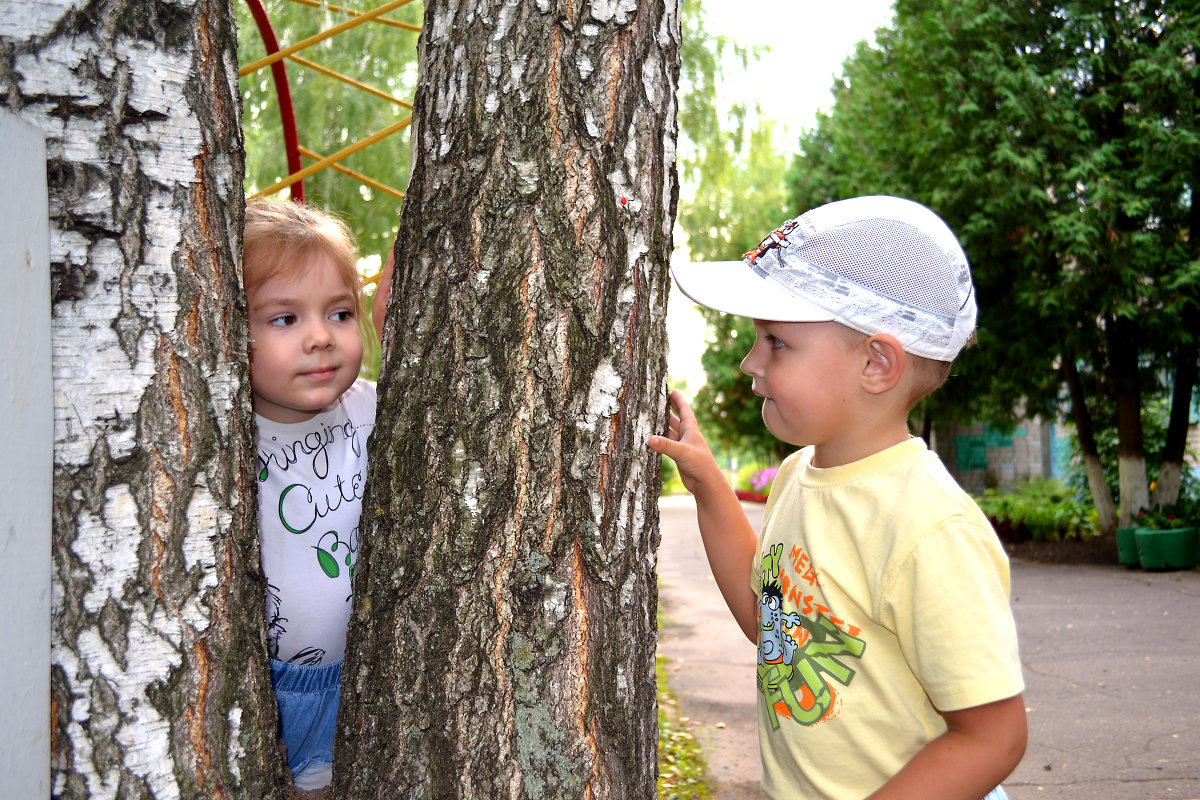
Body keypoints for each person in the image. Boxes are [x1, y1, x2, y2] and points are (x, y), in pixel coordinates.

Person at [649, 196, 1026, 800]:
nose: (750, 363)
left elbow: (994, 737)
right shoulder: (801, 474)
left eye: (776, 343)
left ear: (877, 364)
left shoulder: (930, 527)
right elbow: (771, 624)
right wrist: (708, 485)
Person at [243, 200, 376, 791]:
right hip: (266, 695)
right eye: (283, 319)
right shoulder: (222, 439)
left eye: (340, 313)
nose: (321, 337)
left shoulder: (371, 410)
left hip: (365, 681)